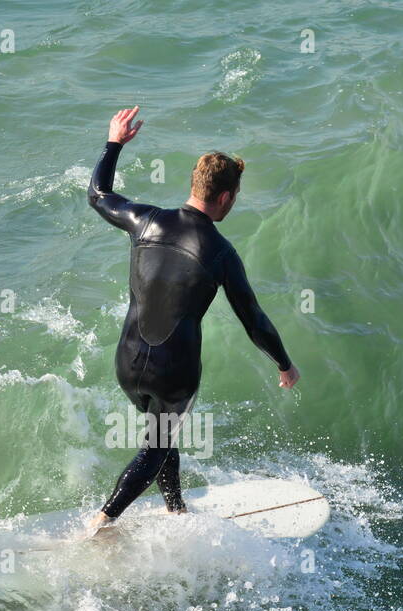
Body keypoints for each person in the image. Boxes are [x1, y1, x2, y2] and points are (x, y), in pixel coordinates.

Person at [85, 107, 300, 535]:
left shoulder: (144, 220)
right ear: (224, 197)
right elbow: (253, 320)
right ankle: (101, 523)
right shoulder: (221, 253)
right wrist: (284, 363)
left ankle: (176, 508)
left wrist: (114, 143)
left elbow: (97, 194)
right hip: (174, 372)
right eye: (234, 197)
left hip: (127, 363)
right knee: (158, 443)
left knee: (161, 434)